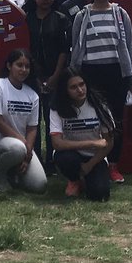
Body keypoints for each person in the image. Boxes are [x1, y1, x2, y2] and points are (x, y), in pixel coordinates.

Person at [70, 0, 132, 183]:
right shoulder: (82, 15)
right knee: (93, 119)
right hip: (90, 74)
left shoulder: (120, 14)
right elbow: (77, 46)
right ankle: (95, 162)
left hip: (115, 73)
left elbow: (129, 47)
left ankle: (114, 165)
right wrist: (74, 75)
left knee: (115, 121)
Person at [0, 49, 48, 194]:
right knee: (17, 148)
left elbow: (32, 128)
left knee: (39, 185)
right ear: (9, 66)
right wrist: (25, 146)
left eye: (27, 66)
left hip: (21, 147)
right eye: (19, 65)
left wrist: (28, 153)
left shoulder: (32, 95)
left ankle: (11, 171)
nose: (24, 70)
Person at [24, 0, 70, 167]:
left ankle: (53, 159)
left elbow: (64, 50)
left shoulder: (61, 19)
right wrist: (34, 77)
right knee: (33, 120)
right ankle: (35, 158)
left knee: (52, 120)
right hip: (30, 76)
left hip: (55, 76)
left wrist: (54, 77)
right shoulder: (25, 19)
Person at [50, 71, 115, 201]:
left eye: (82, 84)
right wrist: (92, 143)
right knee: (65, 159)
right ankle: (74, 180)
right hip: (71, 154)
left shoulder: (99, 105)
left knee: (100, 195)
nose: (80, 90)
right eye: (73, 87)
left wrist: (90, 165)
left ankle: (86, 179)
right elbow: (57, 143)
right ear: (65, 90)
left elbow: (109, 143)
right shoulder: (57, 108)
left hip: (95, 157)